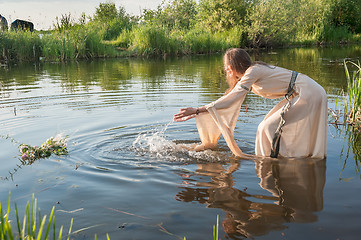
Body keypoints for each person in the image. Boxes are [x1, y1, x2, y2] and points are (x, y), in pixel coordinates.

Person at [173, 48, 327, 159]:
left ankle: (270, 161)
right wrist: (201, 112)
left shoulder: (253, 71)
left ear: (232, 67)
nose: (226, 70)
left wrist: (198, 110)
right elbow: (230, 97)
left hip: (308, 92)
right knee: (266, 127)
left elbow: (233, 99)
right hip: (300, 93)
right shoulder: (250, 74)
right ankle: (273, 158)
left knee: (266, 127)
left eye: (227, 66)